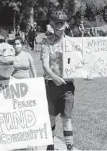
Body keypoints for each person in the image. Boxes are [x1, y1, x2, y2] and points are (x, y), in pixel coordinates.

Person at [41, 10, 76, 151]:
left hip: (67, 86)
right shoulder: (46, 43)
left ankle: (69, 147)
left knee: (67, 119)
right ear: (52, 24)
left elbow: (81, 63)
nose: (59, 26)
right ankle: (50, 145)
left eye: (62, 23)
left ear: (66, 24)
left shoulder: (72, 43)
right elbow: (45, 64)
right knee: (51, 118)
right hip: (51, 85)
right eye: (56, 23)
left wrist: (87, 73)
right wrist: (54, 78)